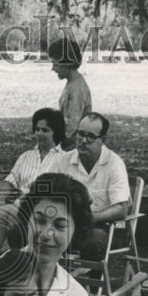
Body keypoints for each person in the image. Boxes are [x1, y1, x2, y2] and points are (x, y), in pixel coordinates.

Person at [0, 108, 66, 258]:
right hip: (20, 208)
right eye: (36, 129)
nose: (39, 134)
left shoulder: (65, 159)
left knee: (3, 212)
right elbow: (10, 182)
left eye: (45, 130)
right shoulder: (26, 156)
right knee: (3, 210)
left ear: (56, 132)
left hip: (46, 210)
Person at [58, 112, 131, 263]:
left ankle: (90, 286)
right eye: (80, 134)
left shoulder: (114, 164)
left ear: (103, 140)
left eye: (90, 136)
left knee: (92, 242)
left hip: (106, 228)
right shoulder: (63, 160)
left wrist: (89, 218)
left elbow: (122, 209)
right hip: (69, 224)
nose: (83, 141)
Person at [48, 37, 92, 151]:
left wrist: (52, 146)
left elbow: (71, 127)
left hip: (74, 150)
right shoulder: (72, 83)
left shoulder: (76, 88)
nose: (52, 69)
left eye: (55, 64)